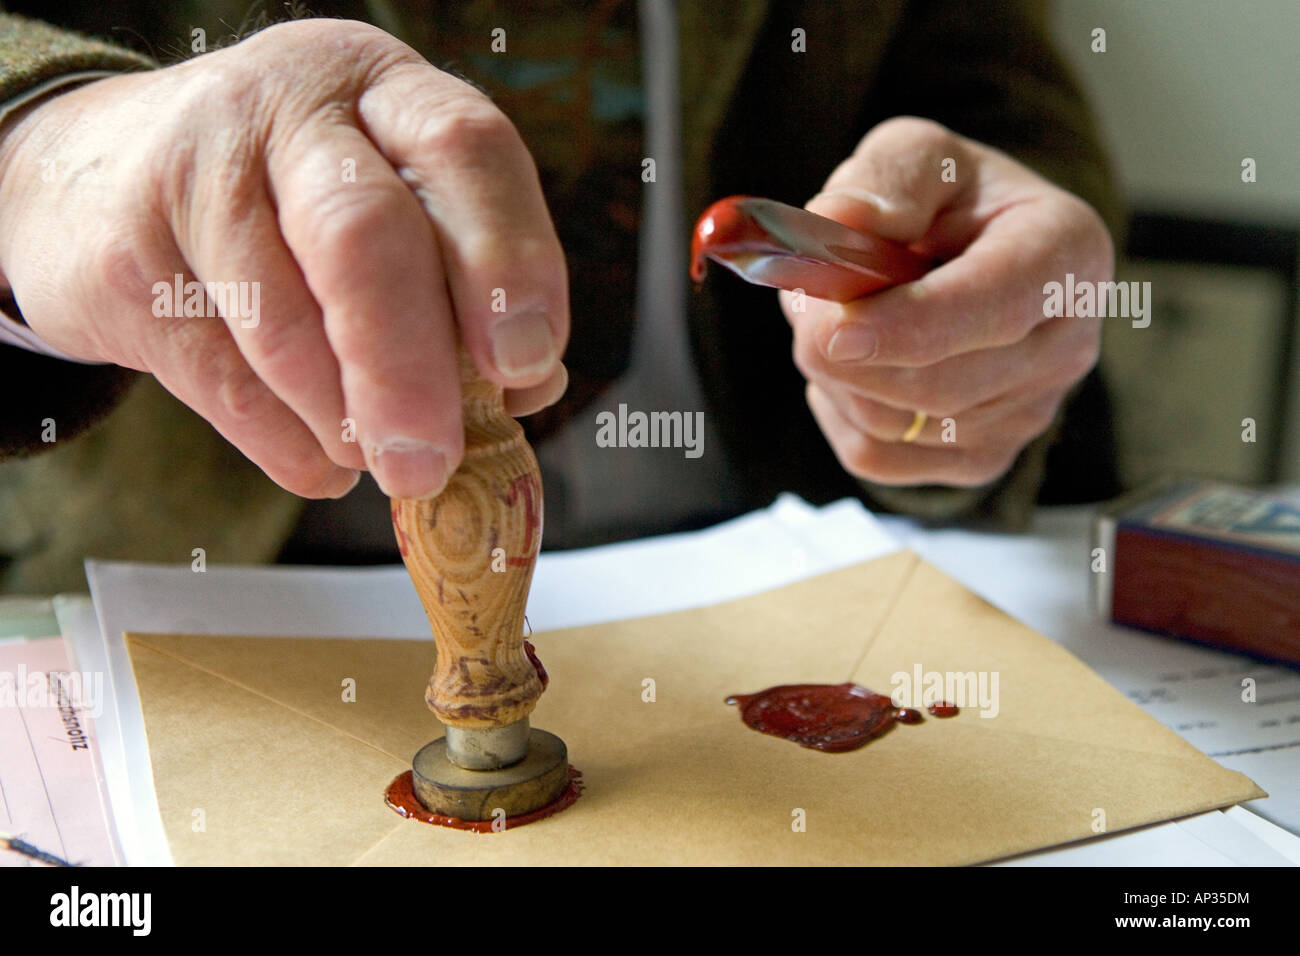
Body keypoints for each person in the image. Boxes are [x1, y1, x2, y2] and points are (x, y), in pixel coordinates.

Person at [0, 1, 1122, 592]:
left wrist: (980, 328)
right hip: (188, 585)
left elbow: (1005, 127)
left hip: (773, 573)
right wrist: (38, 144)